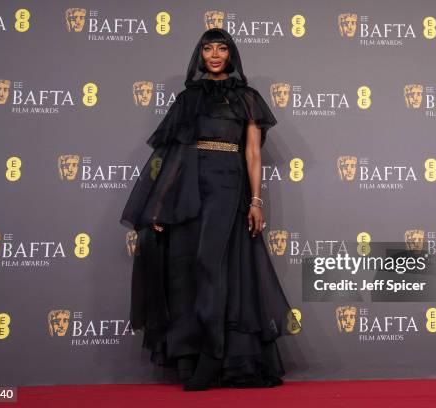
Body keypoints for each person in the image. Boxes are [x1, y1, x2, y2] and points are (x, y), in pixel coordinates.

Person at [119, 28, 294, 391]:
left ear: (232, 54)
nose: (215, 55)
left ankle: (216, 356)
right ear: (200, 55)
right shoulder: (188, 98)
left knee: (212, 265)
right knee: (187, 270)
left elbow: (253, 153)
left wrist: (257, 200)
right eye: (208, 48)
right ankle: (192, 356)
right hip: (188, 187)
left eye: (222, 48)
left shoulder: (247, 98)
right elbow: (171, 153)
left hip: (228, 184)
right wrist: (161, 206)